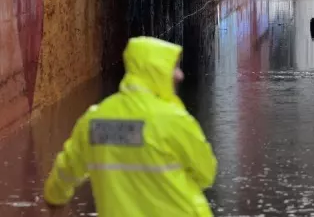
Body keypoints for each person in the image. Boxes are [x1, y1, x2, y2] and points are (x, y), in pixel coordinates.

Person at [43, 36, 218, 216]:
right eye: (173, 67)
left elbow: (67, 169)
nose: (180, 75)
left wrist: (55, 198)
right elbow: (206, 173)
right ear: (156, 71)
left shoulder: (95, 120)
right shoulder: (173, 120)